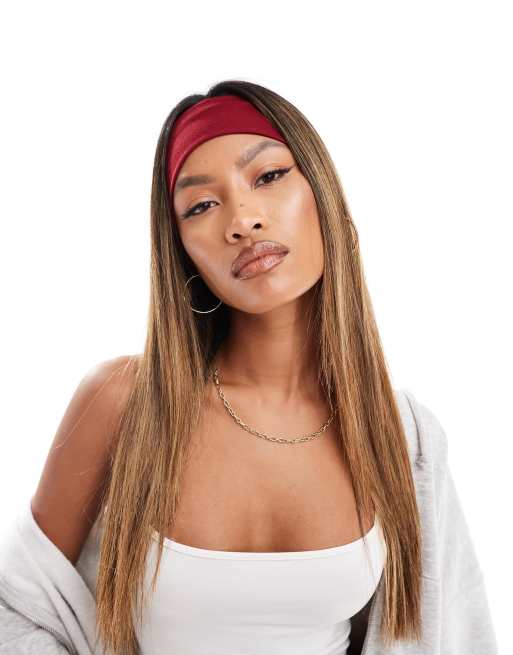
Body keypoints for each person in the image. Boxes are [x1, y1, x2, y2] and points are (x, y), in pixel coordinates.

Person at [19, 80, 497, 655]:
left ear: (321, 190)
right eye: (201, 206)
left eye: (267, 176)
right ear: (182, 249)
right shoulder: (125, 401)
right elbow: (15, 611)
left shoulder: (401, 434)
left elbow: (457, 634)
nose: (242, 221)